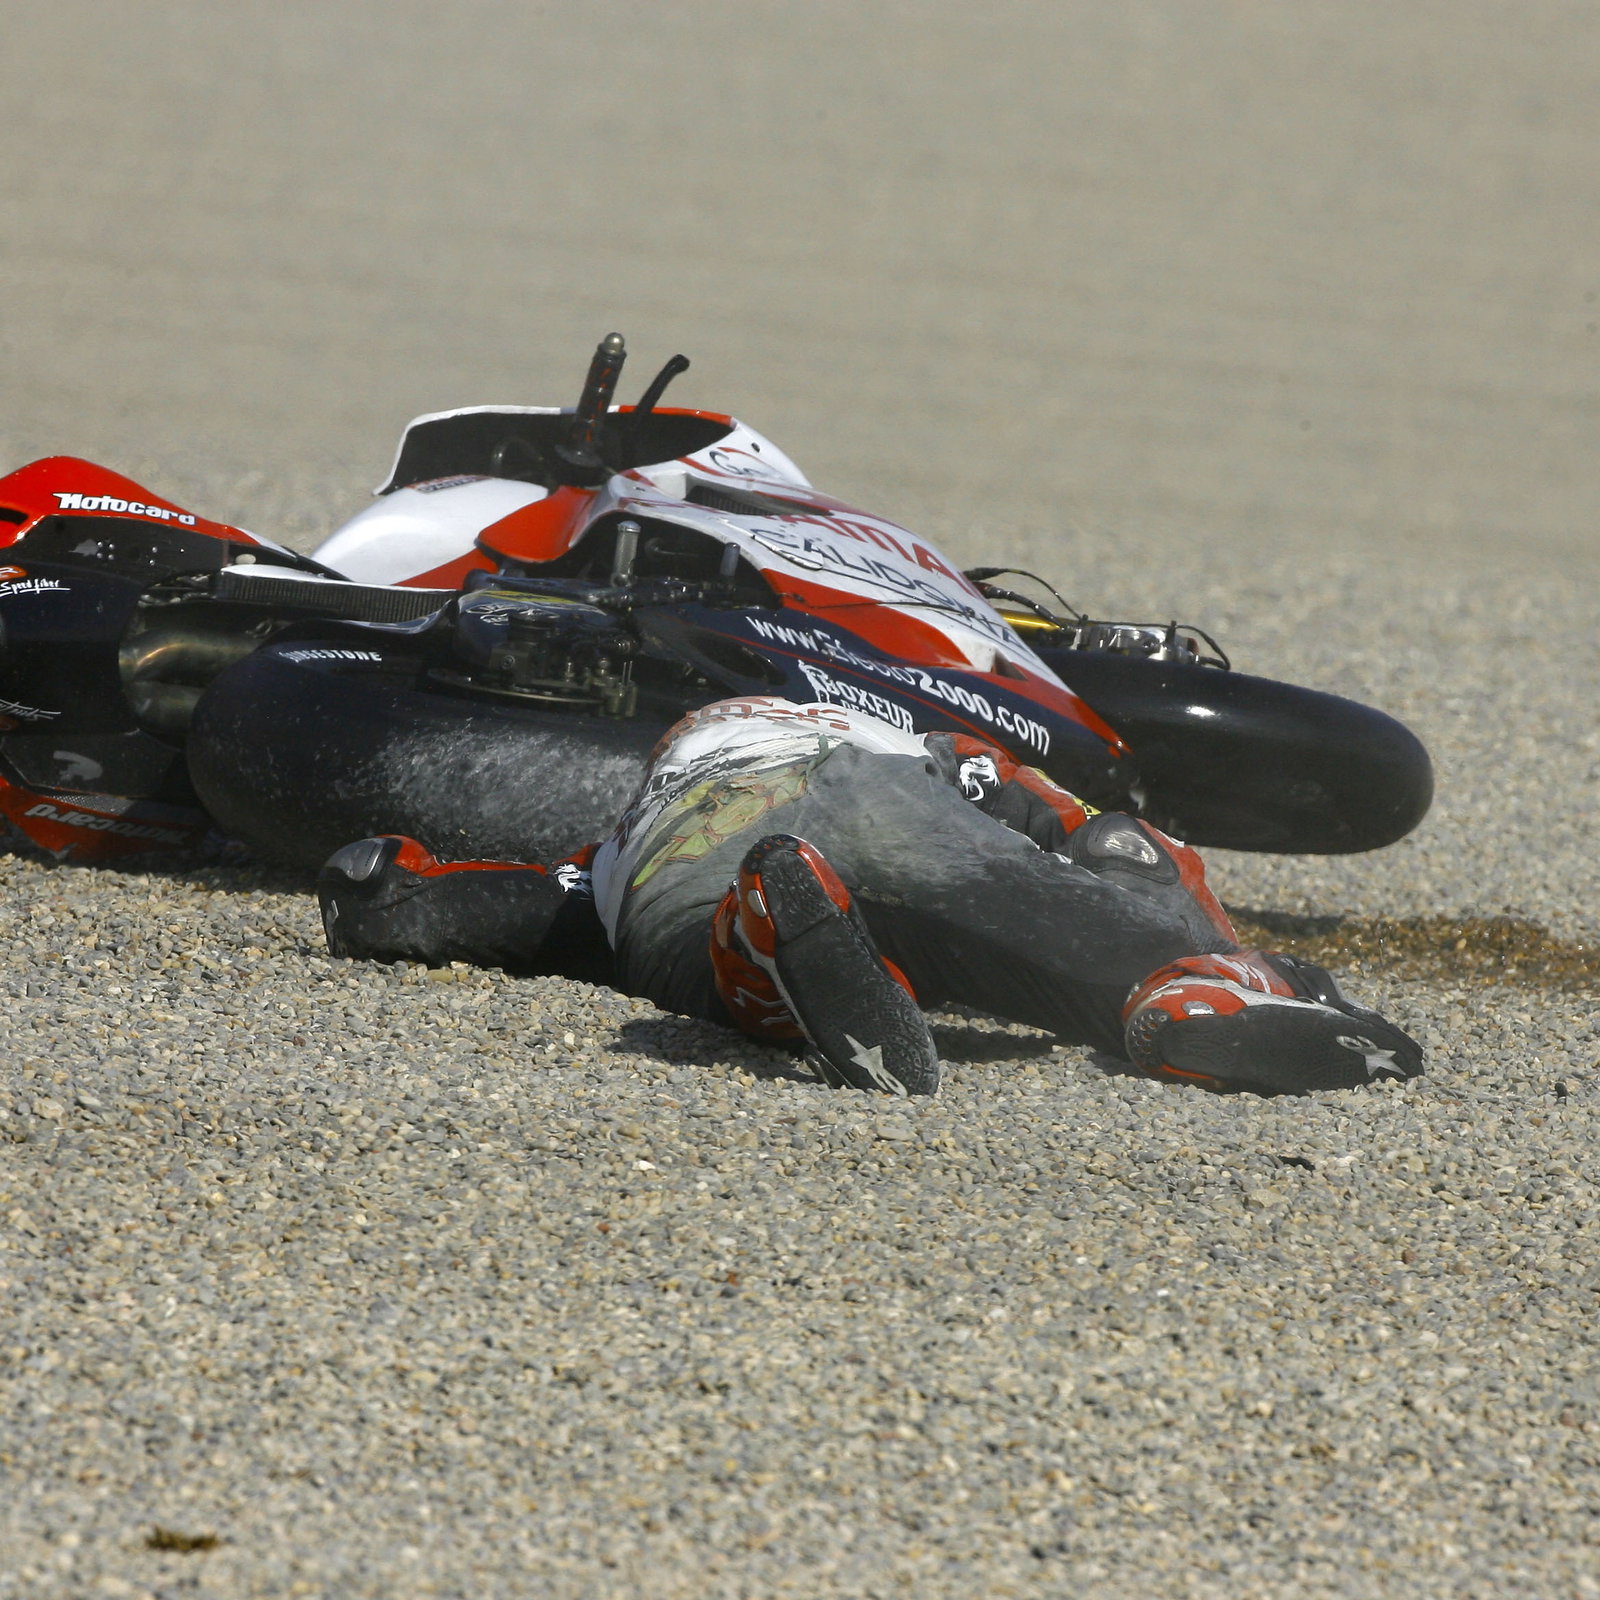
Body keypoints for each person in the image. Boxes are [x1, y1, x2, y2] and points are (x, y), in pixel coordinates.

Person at [316, 696, 1423, 1098]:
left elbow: (448, 900)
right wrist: (1223, 939)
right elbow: (1124, 843)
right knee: (1050, 905)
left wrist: (375, 888)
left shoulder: (606, 847)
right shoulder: (921, 744)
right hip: (884, 796)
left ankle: (763, 942)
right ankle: (1190, 987)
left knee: (675, 944)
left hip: (688, 838)